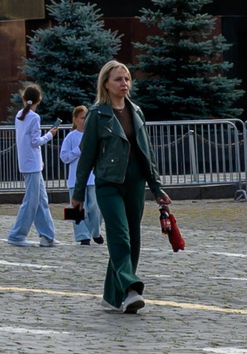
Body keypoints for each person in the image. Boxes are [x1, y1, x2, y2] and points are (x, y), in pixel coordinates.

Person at [70, 59, 169, 314]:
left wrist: (157, 189)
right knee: (119, 236)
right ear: (106, 83)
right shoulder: (96, 114)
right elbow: (86, 157)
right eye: (118, 79)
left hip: (135, 184)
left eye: (126, 79)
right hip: (108, 184)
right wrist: (78, 194)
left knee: (133, 239)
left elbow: (146, 154)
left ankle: (112, 296)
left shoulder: (136, 111)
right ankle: (130, 289)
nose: (124, 83)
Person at [7, 82, 58, 248]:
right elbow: (36, 142)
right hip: (32, 163)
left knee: (41, 200)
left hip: (28, 162)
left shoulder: (20, 115)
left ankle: (47, 236)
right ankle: (17, 235)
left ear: (23, 98)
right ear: (39, 100)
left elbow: (26, 142)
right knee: (31, 201)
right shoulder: (34, 117)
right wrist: (50, 134)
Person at [60, 106, 100, 246]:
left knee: (95, 206)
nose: (85, 121)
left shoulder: (93, 134)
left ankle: (96, 231)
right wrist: (78, 150)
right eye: (82, 118)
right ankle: (82, 236)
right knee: (78, 208)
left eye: (87, 118)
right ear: (75, 119)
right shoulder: (71, 137)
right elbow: (64, 157)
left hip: (93, 178)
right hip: (75, 180)